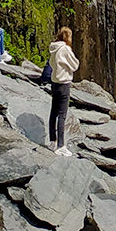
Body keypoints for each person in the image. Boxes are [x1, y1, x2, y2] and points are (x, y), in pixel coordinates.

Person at [48, 24, 80, 156]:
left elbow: (50, 64)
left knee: (53, 112)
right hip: (64, 83)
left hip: (54, 82)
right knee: (62, 115)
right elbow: (75, 65)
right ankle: (61, 145)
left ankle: (52, 140)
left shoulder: (54, 48)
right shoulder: (65, 49)